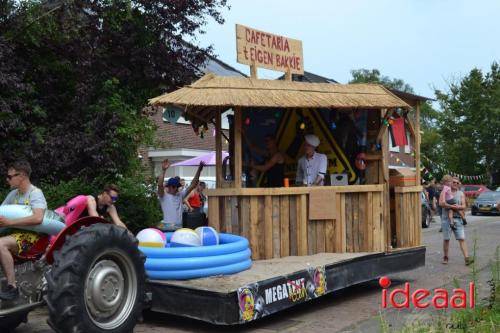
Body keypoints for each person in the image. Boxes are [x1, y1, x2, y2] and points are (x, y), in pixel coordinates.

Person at [0, 161, 47, 300]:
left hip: (32, 238)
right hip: (15, 234)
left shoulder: (35, 193)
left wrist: (10, 222)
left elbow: (38, 218)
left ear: (22, 176)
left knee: (0, 244)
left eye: (10, 176)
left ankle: (12, 288)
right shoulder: (13, 194)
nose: (7, 179)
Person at [157, 159, 204, 230]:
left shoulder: (180, 195)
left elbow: (193, 184)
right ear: (168, 187)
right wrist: (163, 170)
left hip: (179, 227)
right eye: (172, 186)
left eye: (176, 186)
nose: (174, 188)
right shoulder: (163, 196)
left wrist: (199, 170)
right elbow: (160, 185)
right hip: (167, 227)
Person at [439, 176, 473, 265]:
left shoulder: (461, 193)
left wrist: (456, 207)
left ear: (459, 184)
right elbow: (441, 203)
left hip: (458, 219)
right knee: (446, 239)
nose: (455, 184)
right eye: (454, 182)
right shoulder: (445, 191)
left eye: (457, 183)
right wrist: (452, 206)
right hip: (446, 219)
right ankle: (445, 257)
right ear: (450, 183)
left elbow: (464, 206)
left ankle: (467, 258)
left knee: (462, 239)